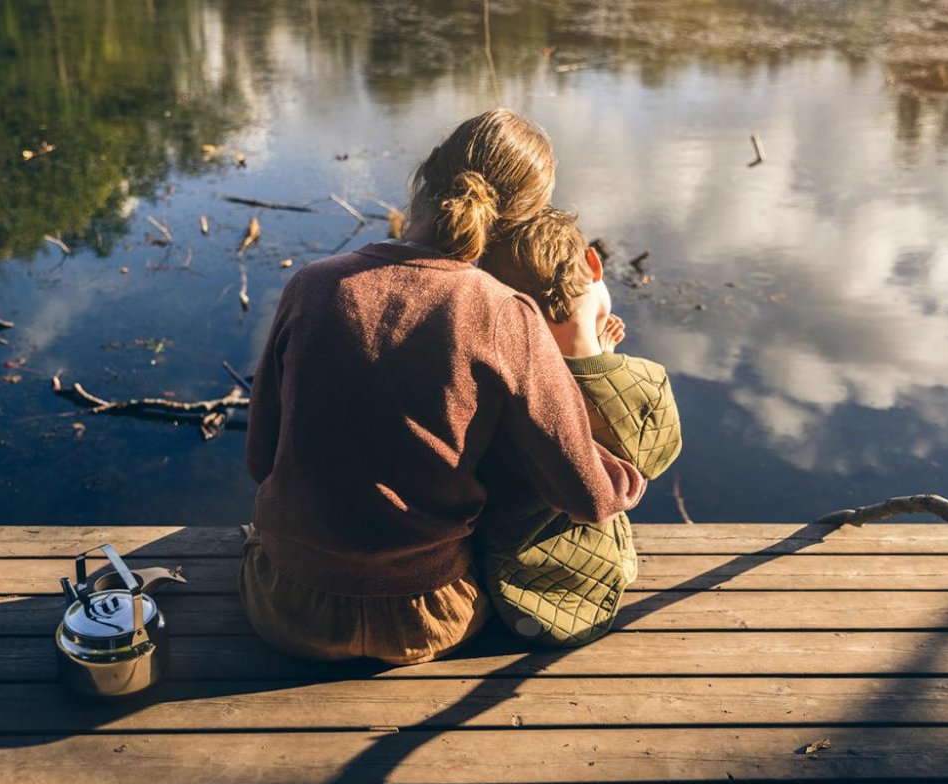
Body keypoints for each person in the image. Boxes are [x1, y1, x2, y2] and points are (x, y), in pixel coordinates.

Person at [241, 109, 645, 665]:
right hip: (429, 618)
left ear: (422, 182)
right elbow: (590, 498)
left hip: (287, 610)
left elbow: (261, 458)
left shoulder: (311, 285)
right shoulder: (505, 312)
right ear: (516, 227)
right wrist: (625, 457)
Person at [476, 208, 682, 646]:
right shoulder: (647, 380)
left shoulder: (495, 379)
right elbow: (655, 458)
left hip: (499, 576)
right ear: (593, 264)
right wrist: (607, 364)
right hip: (588, 582)